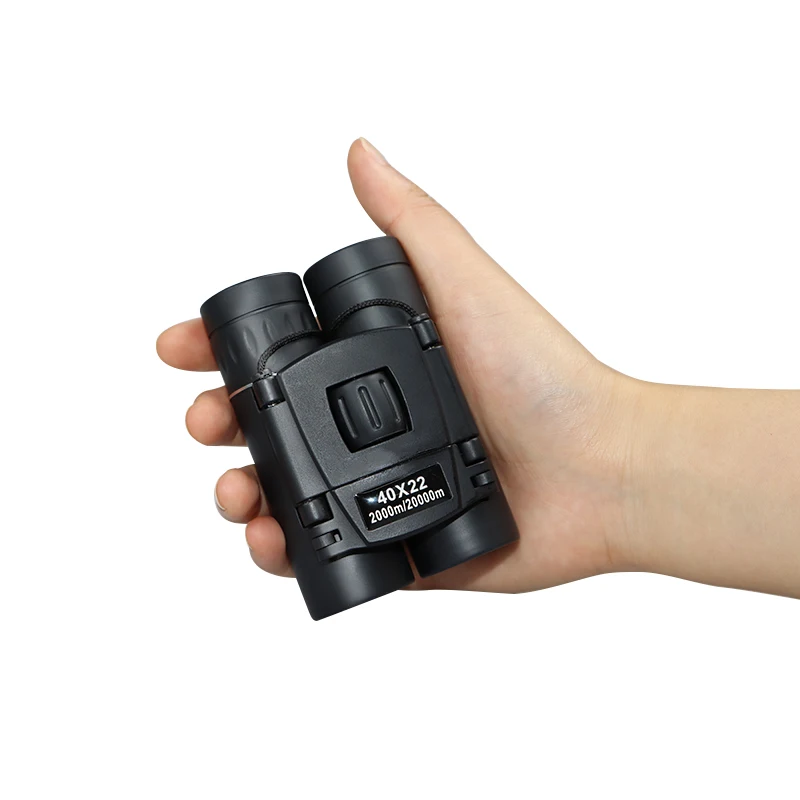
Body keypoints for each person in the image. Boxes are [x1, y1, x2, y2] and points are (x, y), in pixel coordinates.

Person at [156, 138, 800, 599]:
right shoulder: (405, 325)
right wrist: (613, 464)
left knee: (317, 540)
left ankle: (358, 562)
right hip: (462, 483)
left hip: (388, 480)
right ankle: (444, 530)